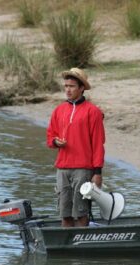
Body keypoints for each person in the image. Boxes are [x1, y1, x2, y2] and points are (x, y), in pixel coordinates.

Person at [46, 68, 105, 227]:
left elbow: (98, 144)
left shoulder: (93, 112)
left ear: (81, 88)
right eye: (66, 86)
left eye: (72, 86)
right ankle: (67, 248)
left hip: (83, 170)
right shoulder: (59, 110)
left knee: (81, 213)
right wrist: (55, 142)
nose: (68, 90)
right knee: (65, 214)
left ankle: (82, 245)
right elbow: (50, 136)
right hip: (62, 169)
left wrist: (97, 173)